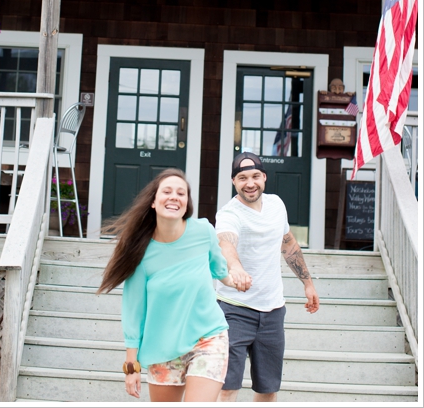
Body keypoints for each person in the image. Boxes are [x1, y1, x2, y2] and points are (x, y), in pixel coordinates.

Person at [98, 168, 241, 402]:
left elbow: (218, 268)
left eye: (181, 193)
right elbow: (134, 311)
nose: (174, 196)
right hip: (162, 347)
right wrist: (131, 366)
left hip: (208, 338)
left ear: (186, 204)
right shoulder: (140, 251)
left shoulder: (203, 231)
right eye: (167, 191)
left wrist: (234, 281)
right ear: (154, 202)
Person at [216, 152, 320, 402]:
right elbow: (226, 241)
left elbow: (288, 244)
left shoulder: (276, 204)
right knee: (228, 387)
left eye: (254, 176)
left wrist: (307, 283)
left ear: (264, 177)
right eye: (242, 178)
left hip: (273, 310)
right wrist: (236, 268)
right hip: (234, 310)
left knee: (268, 388)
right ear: (234, 182)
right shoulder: (229, 213)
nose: (249, 183)